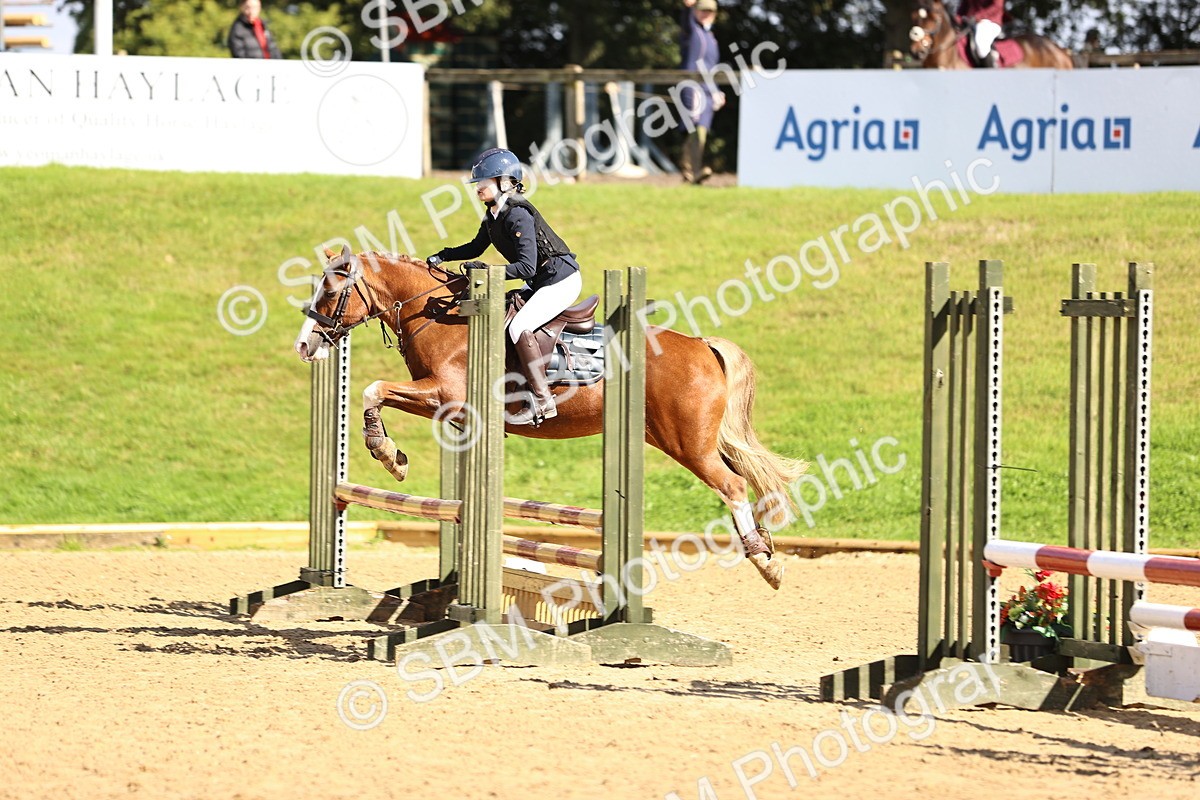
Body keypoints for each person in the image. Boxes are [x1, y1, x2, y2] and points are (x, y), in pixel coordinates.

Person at [425, 148, 583, 427]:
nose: (478, 188)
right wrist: (444, 255)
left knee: (518, 326)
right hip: (540, 281)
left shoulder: (518, 214)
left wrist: (487, 272)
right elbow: (475, 247)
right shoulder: (493, 216)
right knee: (501, 316)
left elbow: (526, 267)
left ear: (505, 182)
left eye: (484, 182)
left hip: (560, 280)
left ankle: (543, 400)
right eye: (478, 183)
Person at [678, 0, 725, 184]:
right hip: (692, 85)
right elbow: (685, 21)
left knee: (702, 128)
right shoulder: (692, 31)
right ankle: (692, 170)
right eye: (702, 11)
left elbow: (711, 67)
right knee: (695, 127)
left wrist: (716, 91)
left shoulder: (711, 37)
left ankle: (690, 170)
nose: (706, 14)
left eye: (710, 11)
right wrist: (687, 8)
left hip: (708, 89)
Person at [952, 0, 1004, 67]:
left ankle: (991, 71)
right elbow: (964, 6)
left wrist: (978, 16)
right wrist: (957, 18)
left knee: (981, 46)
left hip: (989, 21)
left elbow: (996, 6)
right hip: (971, 21)